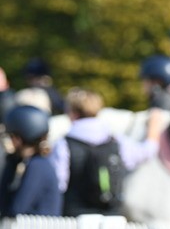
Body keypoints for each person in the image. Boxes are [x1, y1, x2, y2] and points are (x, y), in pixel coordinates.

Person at [52, 88, 160, 216]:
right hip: (111, 217)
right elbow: (146, 152)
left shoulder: (63, 144)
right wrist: (154, 128)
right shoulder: (116, 141)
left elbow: (58, 184)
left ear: (73, 113)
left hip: (75, 216)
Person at [1, 105, 61, 218]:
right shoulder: (36, 163)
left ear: (18, 139)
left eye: (11, 136)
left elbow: (16, 209)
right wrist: (13, 161)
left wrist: (11, 164)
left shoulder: (37, 166)